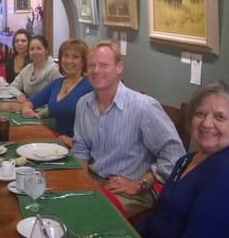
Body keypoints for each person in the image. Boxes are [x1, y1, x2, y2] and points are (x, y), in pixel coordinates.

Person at [72, 40, 186, 218]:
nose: (96, 71)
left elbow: (176, 155)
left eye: (104, 65)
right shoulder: (83, 104)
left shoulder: (143, 107)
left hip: (131, 191)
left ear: (119, 67)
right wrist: (81, 182)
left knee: (87, 215)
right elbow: (80, 147)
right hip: (94, 179)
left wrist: (141, 183)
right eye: (91, 65)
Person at [136, 79, 229, 238]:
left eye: (220, 117)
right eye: (200, 114)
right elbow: (159, 216)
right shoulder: (187, 159)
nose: (206, 123)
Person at [21, 39, 92, 145]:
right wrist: (26, 108)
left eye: (75, 57)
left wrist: (74, 142)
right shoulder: (56, 84)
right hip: (56, 144)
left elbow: (97, 126)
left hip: (78, 148)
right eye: (65, 56)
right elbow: (30, 102)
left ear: (84, 61)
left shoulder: (90, 86)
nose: (69, 61)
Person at [8, 35, 62, 102]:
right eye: (32, 49)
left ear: (46, 50)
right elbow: (12, 87)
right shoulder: (27, 69)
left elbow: (59, 98)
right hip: (28, 108)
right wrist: (19, 95)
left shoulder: (55, 71)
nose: (35, 52)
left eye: (39, 48)